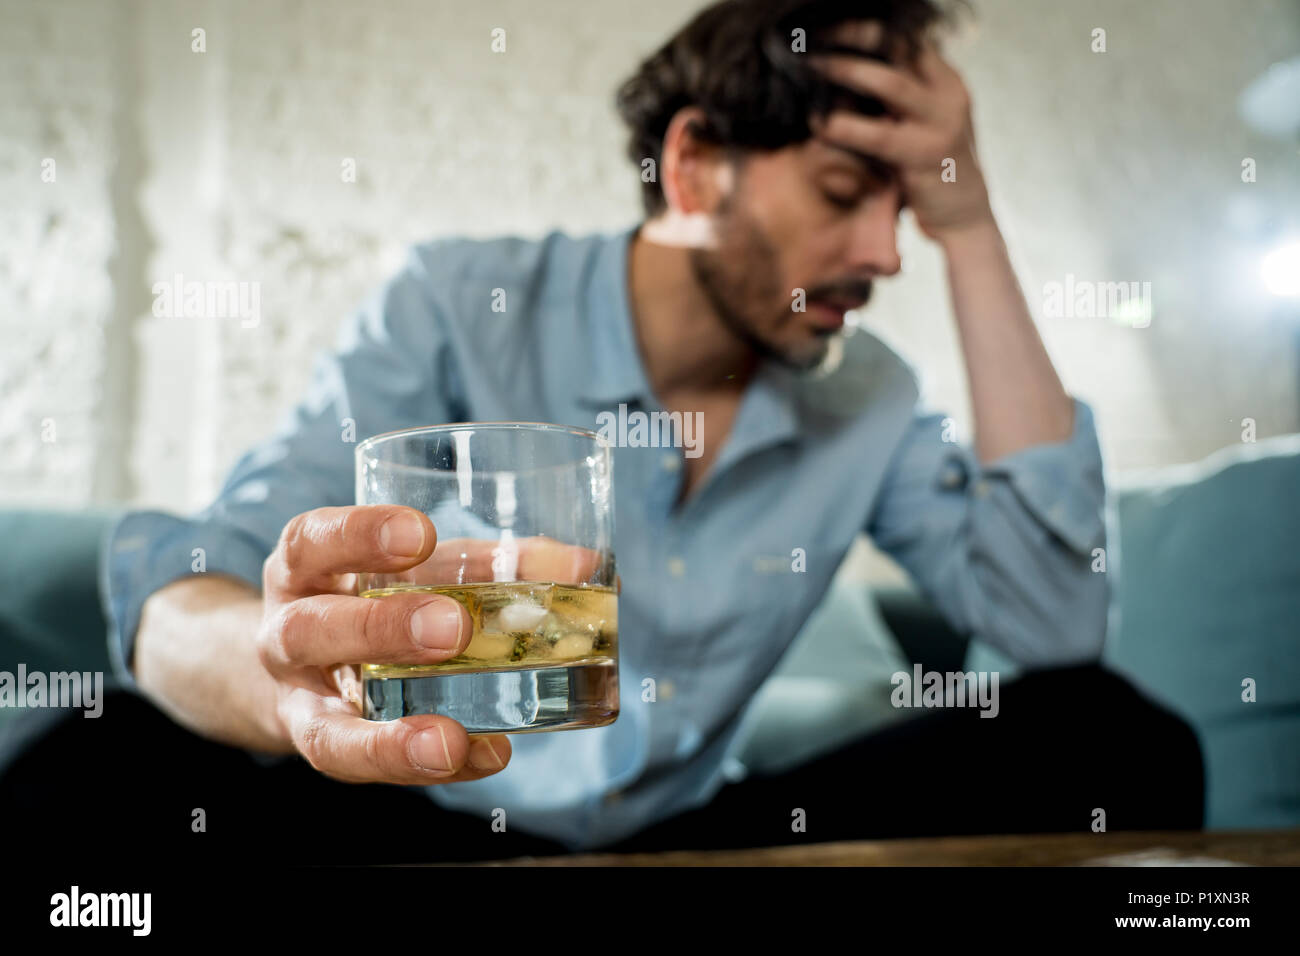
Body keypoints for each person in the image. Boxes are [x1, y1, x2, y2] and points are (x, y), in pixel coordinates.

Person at [14, 0, 1203, 862]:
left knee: (1109, 736)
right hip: (414, 814)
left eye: (912, 210)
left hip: (684, 842)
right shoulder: (455, 299)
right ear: (694, 167)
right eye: (848, 194)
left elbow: (1053, 628)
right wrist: (286, 694)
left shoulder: (867, 395)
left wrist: (975, 227)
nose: (887, 254)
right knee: (100, 764)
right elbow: (188, 583)